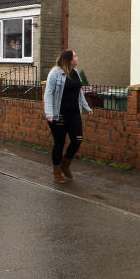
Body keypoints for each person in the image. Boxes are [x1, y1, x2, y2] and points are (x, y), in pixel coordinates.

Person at [43, 49, 92, 183]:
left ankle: (65, 165)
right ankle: (57, 171)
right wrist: (49, 113)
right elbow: (48, 94)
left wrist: (86, 107)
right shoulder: (55, 73)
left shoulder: (75, 72)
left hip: (74, 113)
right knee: (59, 143)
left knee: (77, 140)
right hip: (58, 115)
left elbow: (79, 92)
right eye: (75, 56)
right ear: (68, 59)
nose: (77, 58)